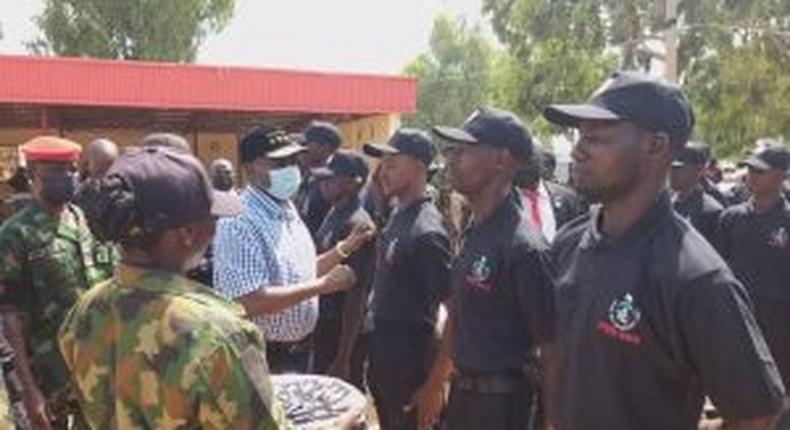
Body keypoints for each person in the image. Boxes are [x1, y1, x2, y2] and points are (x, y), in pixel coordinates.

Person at [542, 71, 784, 429]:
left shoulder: (696, 278)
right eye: (580, 134)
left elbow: (756, 413)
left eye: (597, 136)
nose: (578, 149)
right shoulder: (569, 243)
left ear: (655, 147)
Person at [58, 146, 296, 429]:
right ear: (188, 233)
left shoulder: (86, 308)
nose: (217, 227)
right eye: (214, 217)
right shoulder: (217, 332)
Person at [412, 108, 556, 430]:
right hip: (466, 399)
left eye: (463, 150)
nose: (452, 158)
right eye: (451, 150)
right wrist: (436, 384)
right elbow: (461, 317)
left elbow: (551, 350)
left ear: (501, 160)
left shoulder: (524, 248)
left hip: (506, 408)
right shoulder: (476, 230)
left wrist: (551, 422)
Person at [213, 126, 374, 373]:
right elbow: (249, 301)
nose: (290, 169)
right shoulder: (239, 221)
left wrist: (342, 250)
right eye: (278, 163)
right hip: (262, 357)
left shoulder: (286, 210)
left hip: (299, 351)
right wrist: (324, 286)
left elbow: (299, 274)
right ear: (249, 168)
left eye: (292, 161)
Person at [0, 136, 117, 429]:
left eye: (69, 171)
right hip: (50, 377)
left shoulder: (87, 223)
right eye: (54, 173)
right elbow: (10, 316)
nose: (65, 179)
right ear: (32, 177)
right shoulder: (15, 235)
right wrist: (28, 390)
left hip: (100, 370)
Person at [359, 129, 452, 430]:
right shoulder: (400, 215)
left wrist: (434, 385)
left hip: (412, 362)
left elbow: (455, 315)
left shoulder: (427, 232)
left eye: (393, 163)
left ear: (420, 168)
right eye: (383, 162)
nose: (383, 171)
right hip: (386, 354)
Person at [717, 145, 790, 426]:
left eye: (759, 171)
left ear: (781, 176)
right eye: (749, 169)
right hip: (739, 317)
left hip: (780, 323)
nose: (751, 176)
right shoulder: (731, 218)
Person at [310, 151, 375, 389]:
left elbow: (357, 295)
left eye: (330, 178)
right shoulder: (335, 212)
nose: (322, 183)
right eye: (321, 178)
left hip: (343, 332)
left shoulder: (358, 225)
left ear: (352, 182)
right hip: (324, 325)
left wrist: (343, 357)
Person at [515, 149, 586, 242]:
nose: (524, 168)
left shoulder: (568, 198)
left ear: (541, 166)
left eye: (530, 163)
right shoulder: (504, 202)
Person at [669, 142, 724, 244]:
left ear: (698, 170)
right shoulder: (666, 203)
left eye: (678, 169)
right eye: (671, 167)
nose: (672, 173)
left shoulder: (712, 211)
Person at [295, 121, 343, 235]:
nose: (302, 150)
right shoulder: (307, 176)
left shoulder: (335, 182)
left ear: (325, 148)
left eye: (307, 145)